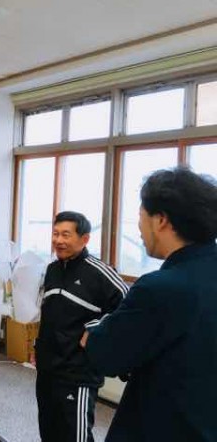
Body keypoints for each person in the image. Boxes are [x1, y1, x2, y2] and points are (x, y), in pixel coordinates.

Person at [81, 167, 217, 441]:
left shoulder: (159, 288)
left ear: (161, 220)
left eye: (141, 216)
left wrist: (93, 334)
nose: (139, 228)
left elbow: (105, 354)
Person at [36, 211, 128, 442]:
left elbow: (130, 308)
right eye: (55, 234)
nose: (58, 240)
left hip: (78, 374)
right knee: (49, 432)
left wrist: (96, 326)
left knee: (75, 436)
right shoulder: (52, 270)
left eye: (65, 235)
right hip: (47, 371)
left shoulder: (100, 273)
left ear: (84, 239)